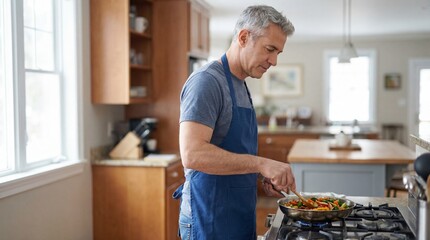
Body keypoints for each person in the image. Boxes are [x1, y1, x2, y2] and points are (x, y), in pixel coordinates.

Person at [173, 5, 296, 240]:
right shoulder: (207, 82)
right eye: (270, 49)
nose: (274, 61)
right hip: (208, 218)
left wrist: (262, 177)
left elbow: (233, 153)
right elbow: (193, 154)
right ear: (243, 37)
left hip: (237, 215)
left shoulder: (241, 84)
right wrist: (261, 164)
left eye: (278, 53)